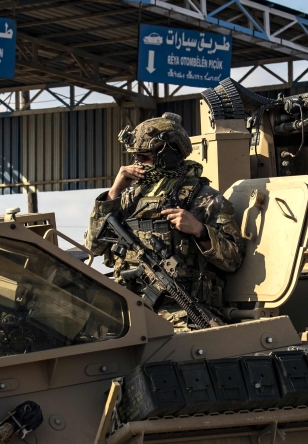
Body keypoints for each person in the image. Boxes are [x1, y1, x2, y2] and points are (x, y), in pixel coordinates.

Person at [86, 113, 244, 331]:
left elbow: (233, 259)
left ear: (167, 155)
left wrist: (199, 230)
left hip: (180, 307)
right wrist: (114, 192)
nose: (137, 164)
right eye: (136, 158)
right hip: (128, 305)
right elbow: (93, 246)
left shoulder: (205, 198)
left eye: (143, 157)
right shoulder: (127, 197)